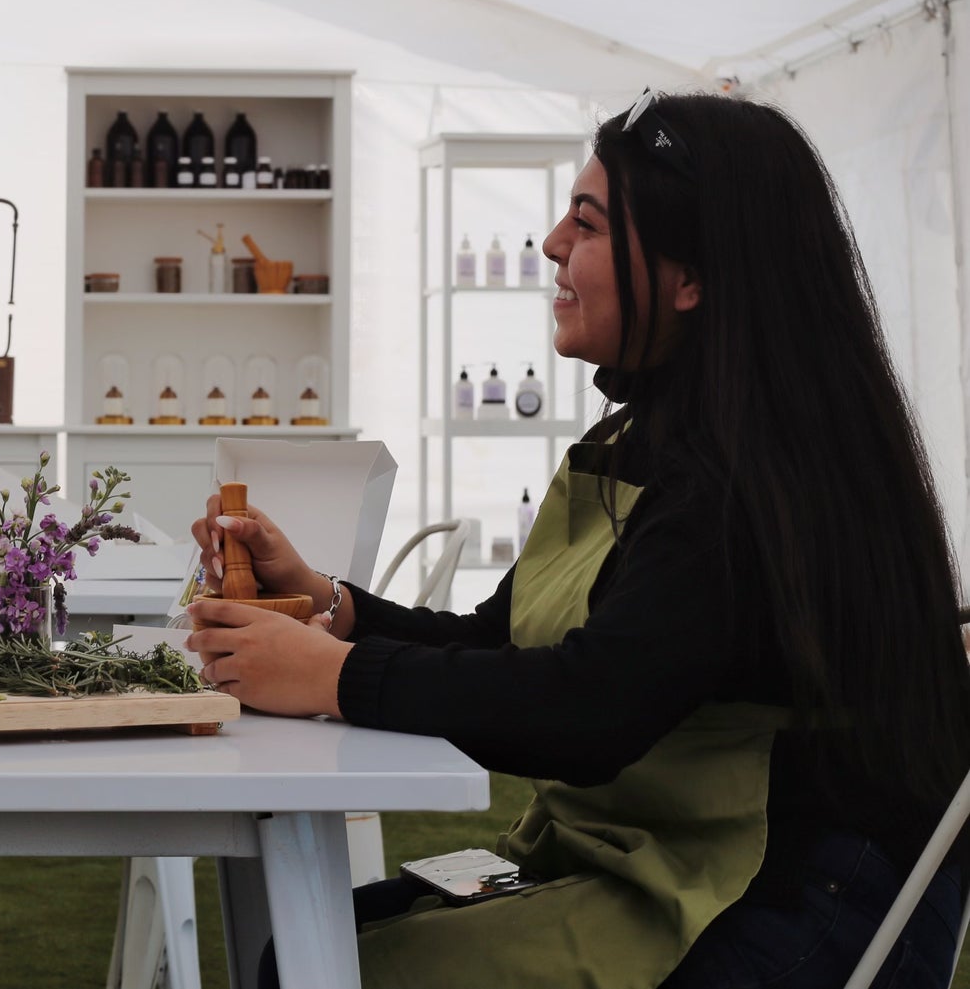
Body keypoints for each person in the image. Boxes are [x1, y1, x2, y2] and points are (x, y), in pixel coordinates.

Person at [187, 91, 970, 988]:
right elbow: (503, 639)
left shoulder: (757, 478)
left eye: (588, 223)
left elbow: (592, 708)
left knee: (328, 962)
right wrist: (334, 605)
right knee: (309, 944)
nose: (554, 243)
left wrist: (332, 674)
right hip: (649, 857)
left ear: (692, 277)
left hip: (797, 902)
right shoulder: (636, 443)